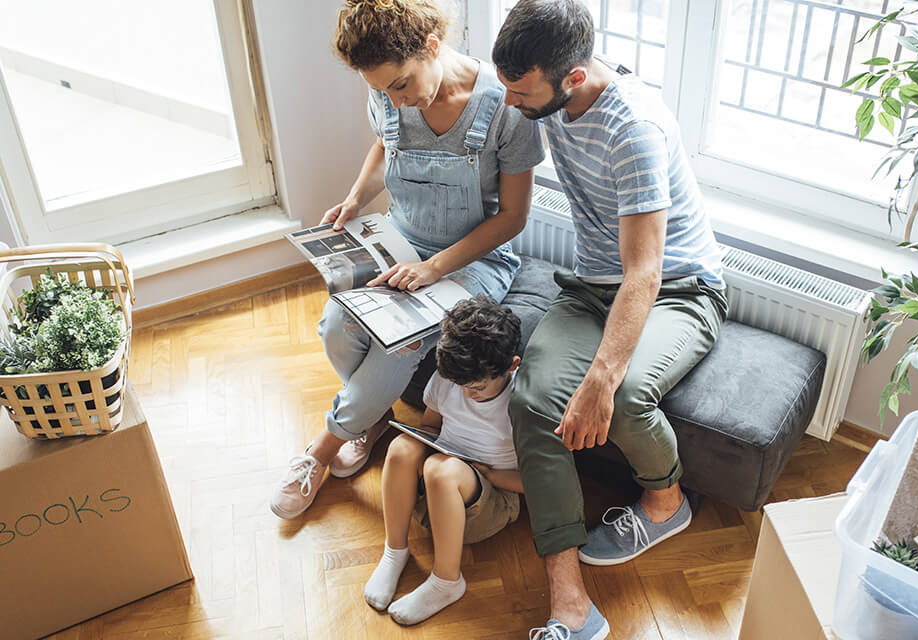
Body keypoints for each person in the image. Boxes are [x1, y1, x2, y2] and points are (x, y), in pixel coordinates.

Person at [492, 1, 728, 638]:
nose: (510, 104)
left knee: (620, 398)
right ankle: (568, 605)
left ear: (572, 78)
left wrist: (599, 379)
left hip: (679, 289)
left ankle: (667, 502)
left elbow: (645, 273)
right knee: (535, 401)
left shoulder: (634, 130)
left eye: (521, 93)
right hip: (593, 285)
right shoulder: (547, 90)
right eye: (505, 88)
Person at [270, 0, 544, 519]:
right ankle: (369, 422)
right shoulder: (385, 94)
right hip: (400, 242)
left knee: (401, 340)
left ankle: (320, 452)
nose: (394, 100)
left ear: (433, 47)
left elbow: (512, 218)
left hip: (474, 260)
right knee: (336, 326)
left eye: (399, 85)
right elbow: (383, 144)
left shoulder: (505, 109)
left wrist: (435, 268)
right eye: (379, 89)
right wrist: (355, 199)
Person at [365, 295, 524, 625]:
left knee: (442, 471)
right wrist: (425, 443)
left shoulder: (522, 401)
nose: (467, 393)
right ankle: (395, 551)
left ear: (511, 366)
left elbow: (541, 482)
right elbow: (430, 426)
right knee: (402, 446)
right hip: (438, 486)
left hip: (491, 499)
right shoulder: (450, 377)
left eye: (477, 388)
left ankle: (447, 580)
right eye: (459, 385)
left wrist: (491, 475)